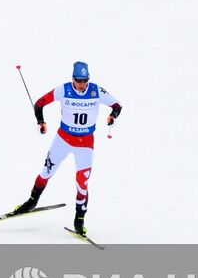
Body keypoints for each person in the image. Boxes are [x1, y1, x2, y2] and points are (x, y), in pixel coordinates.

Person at [11, 61, 122, 235]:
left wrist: (112, 116)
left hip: (85, 144)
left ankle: (79, 220)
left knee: (82, 183)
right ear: (72, 78)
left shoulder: (96, 91)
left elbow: (117, 105)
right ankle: (31, 202)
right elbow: (39, 103)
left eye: (85, 80)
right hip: (63, 139)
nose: (82, 84)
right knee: (46, 171)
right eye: (78, 80)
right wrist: (41, 122)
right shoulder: (63, 90)